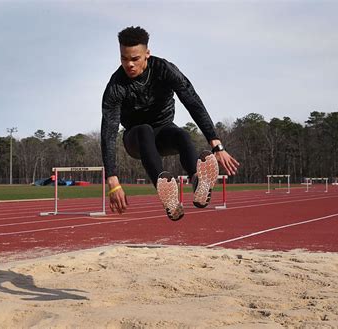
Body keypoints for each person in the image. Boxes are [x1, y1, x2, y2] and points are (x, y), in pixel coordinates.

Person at [101, 26, 240, 220]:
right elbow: (108, 130)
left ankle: (198, 182)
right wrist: (112, 180)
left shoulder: (164, 70)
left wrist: (216, 143)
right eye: (124, 59)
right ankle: (168, 195)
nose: (129, 64)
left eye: (135, 58)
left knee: (182, 135)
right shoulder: (116, 86)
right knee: (144, 130)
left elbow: (192, 101)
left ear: (147, 54)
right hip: (136, 139)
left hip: (164, 131)